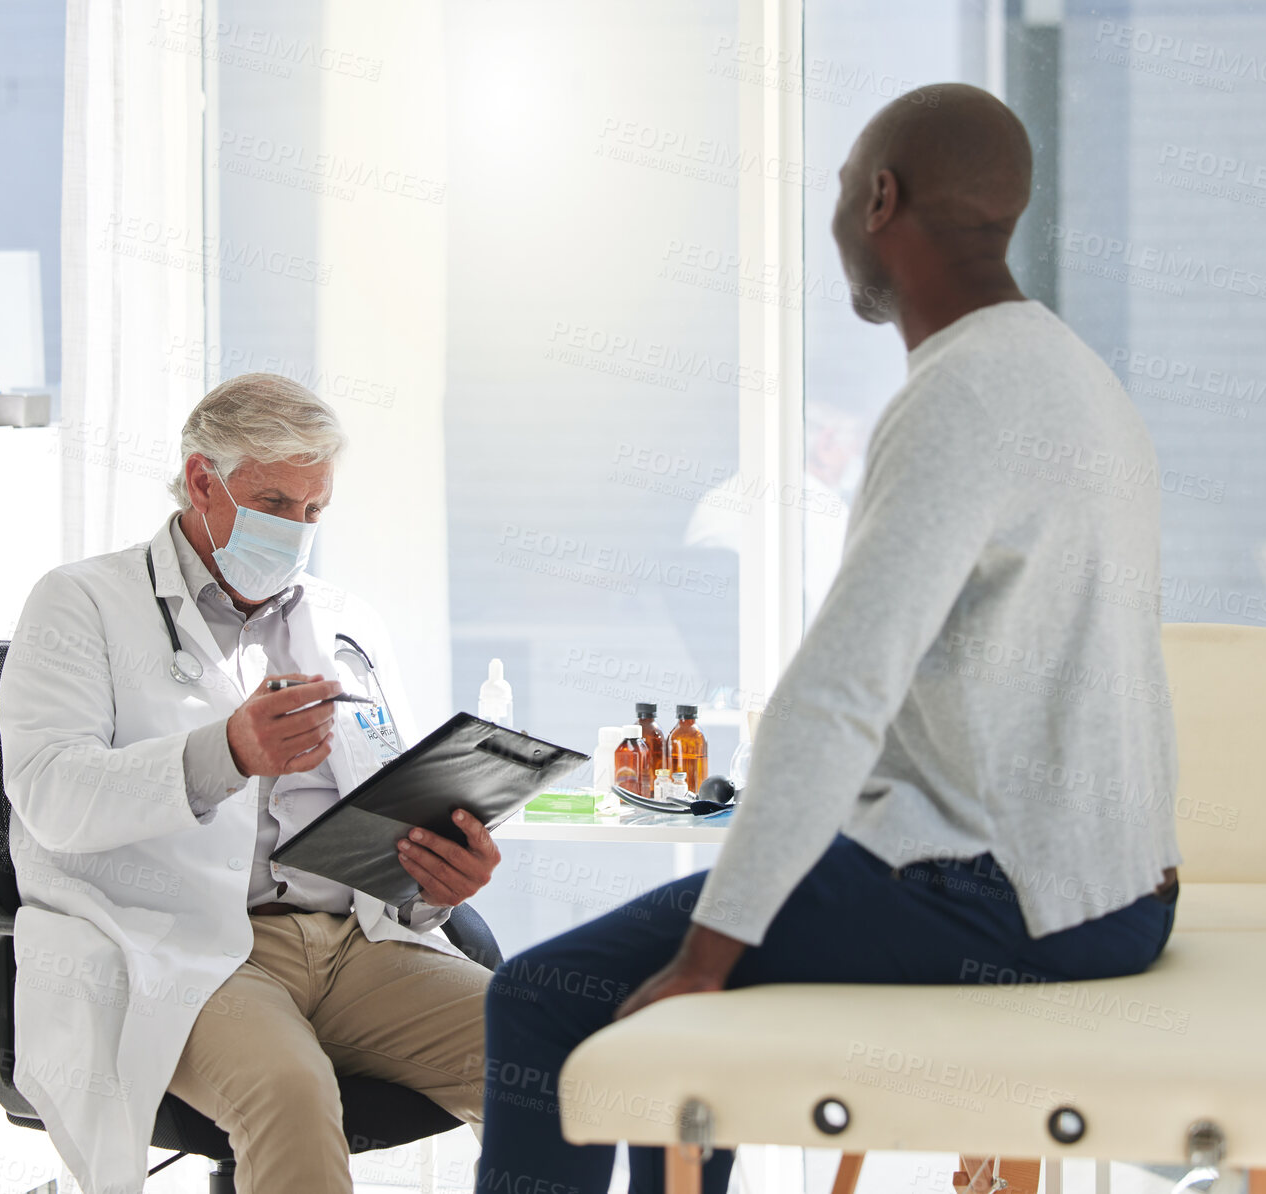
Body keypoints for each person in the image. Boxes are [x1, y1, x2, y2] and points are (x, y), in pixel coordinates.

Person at [478, 82, 1181, 1194]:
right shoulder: (1074, 376)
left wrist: (707, 961)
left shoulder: (959, 397)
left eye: (842, 185)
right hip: (1119, 892)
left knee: (539, 996)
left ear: (879, 199)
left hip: (1006, 905)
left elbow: (836, 694)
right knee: (703, 947)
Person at [0, 374, 499, 1194]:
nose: (295, 531)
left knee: (550, 1052)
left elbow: (393, 801)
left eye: (311, 512)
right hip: (183, 947)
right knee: (291, 1093)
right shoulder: (82, 603)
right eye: (273, 503)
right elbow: (51, 796)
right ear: (203, 481)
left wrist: (434, 882)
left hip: (356, 943)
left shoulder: (347, 623)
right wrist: (225, 753)